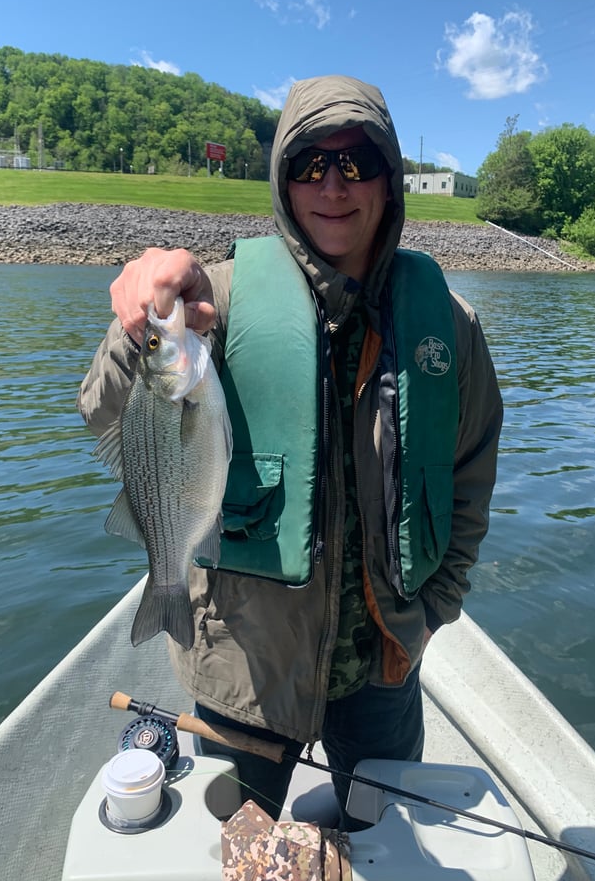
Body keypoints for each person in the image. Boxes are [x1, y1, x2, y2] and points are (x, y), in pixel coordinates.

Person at [78, 74, 503, 828]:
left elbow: (469, 481)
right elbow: (103, 410)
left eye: (357, 161)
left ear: (389, 178)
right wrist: (139, 324)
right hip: (245, 668)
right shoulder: (216, 302)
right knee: (241, 850)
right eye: (310, 163)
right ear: (282, 178)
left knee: (378, 843)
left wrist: (436, 610)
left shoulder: (451, 325)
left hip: (385, 667)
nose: (333, 185)